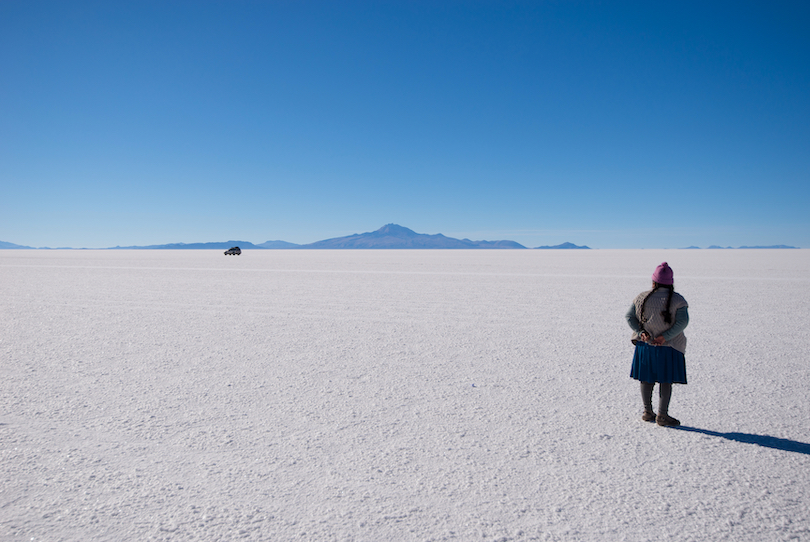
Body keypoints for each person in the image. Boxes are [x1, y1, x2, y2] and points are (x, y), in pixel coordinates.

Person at [625, 262, 689, 426]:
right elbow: (683, 322)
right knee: (665, 380)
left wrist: (641, 333)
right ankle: (662, 415)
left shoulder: (641, 297)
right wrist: (665, 337)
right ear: (670, 282)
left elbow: (629, 317)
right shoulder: (678, 300)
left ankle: (647, 411)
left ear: (654, 282)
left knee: (646, 379)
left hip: (645, 346)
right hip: (668, 347)